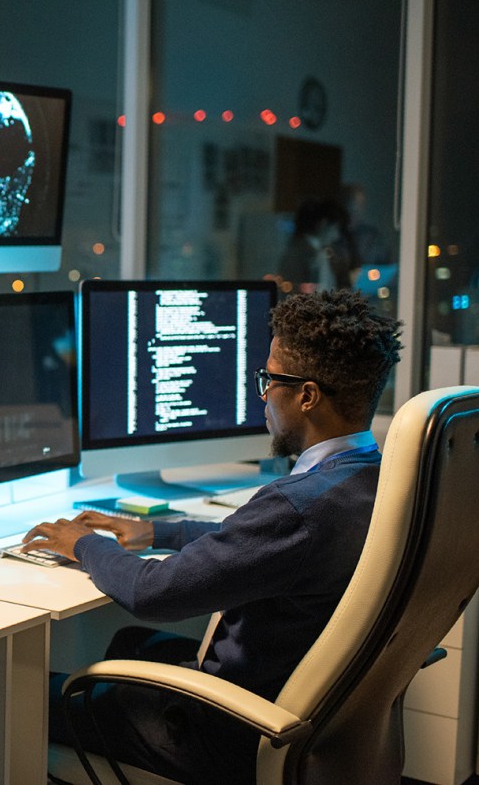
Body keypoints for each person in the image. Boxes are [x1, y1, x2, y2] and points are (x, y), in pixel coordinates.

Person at [23, 289, 402, 784]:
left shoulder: (296, 507)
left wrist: (83, 544)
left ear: (307, 396)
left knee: (30, 697)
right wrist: (158, 531)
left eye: (270, 379)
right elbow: (260, 543)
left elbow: (152, 593)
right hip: (310, 719)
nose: (263, 395)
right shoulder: (373, 479)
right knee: (129, 643)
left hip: (228, 735)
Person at [277, 198, 353, 293]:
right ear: (323, 224)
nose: (336, 236)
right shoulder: (304, 254)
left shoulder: (313, 251)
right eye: (335, 228)